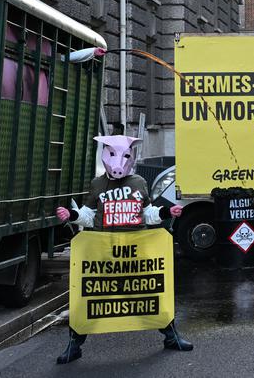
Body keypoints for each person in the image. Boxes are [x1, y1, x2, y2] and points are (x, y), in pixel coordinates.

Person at [53, 135, 191, 364]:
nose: (119, 163)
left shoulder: (138, 183)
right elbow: (89, 216)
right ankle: (75, 344)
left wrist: (167, 213)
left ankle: (171, 336)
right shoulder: (97, 184)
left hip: (136, 251)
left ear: (132, 156)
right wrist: (73, 216)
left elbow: (147, 213)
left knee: (151, 292)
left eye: (126, 155)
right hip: (104, 252)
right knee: (90, 297)